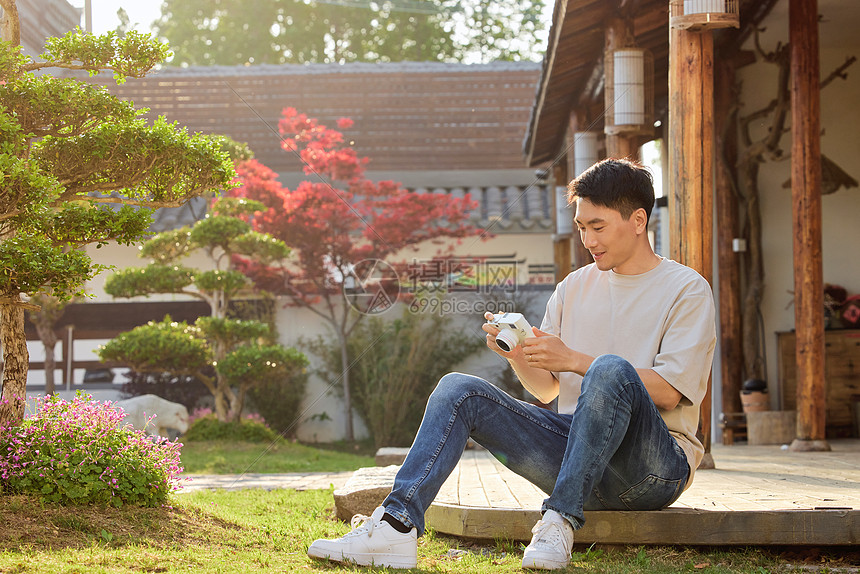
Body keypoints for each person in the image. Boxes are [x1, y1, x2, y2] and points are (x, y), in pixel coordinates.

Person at [307, 158, 716, 570]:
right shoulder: (573, 287)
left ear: (638, 220)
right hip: (577, 453)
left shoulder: (686, 289)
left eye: (598, 226)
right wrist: (519, 355)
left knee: (610, 369)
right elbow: (547, 390)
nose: (587, 239)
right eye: (581, 227)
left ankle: (557, 521)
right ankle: (395, 527)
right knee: (458, 389)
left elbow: (668, 391)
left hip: (651, 472)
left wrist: (575, 360)